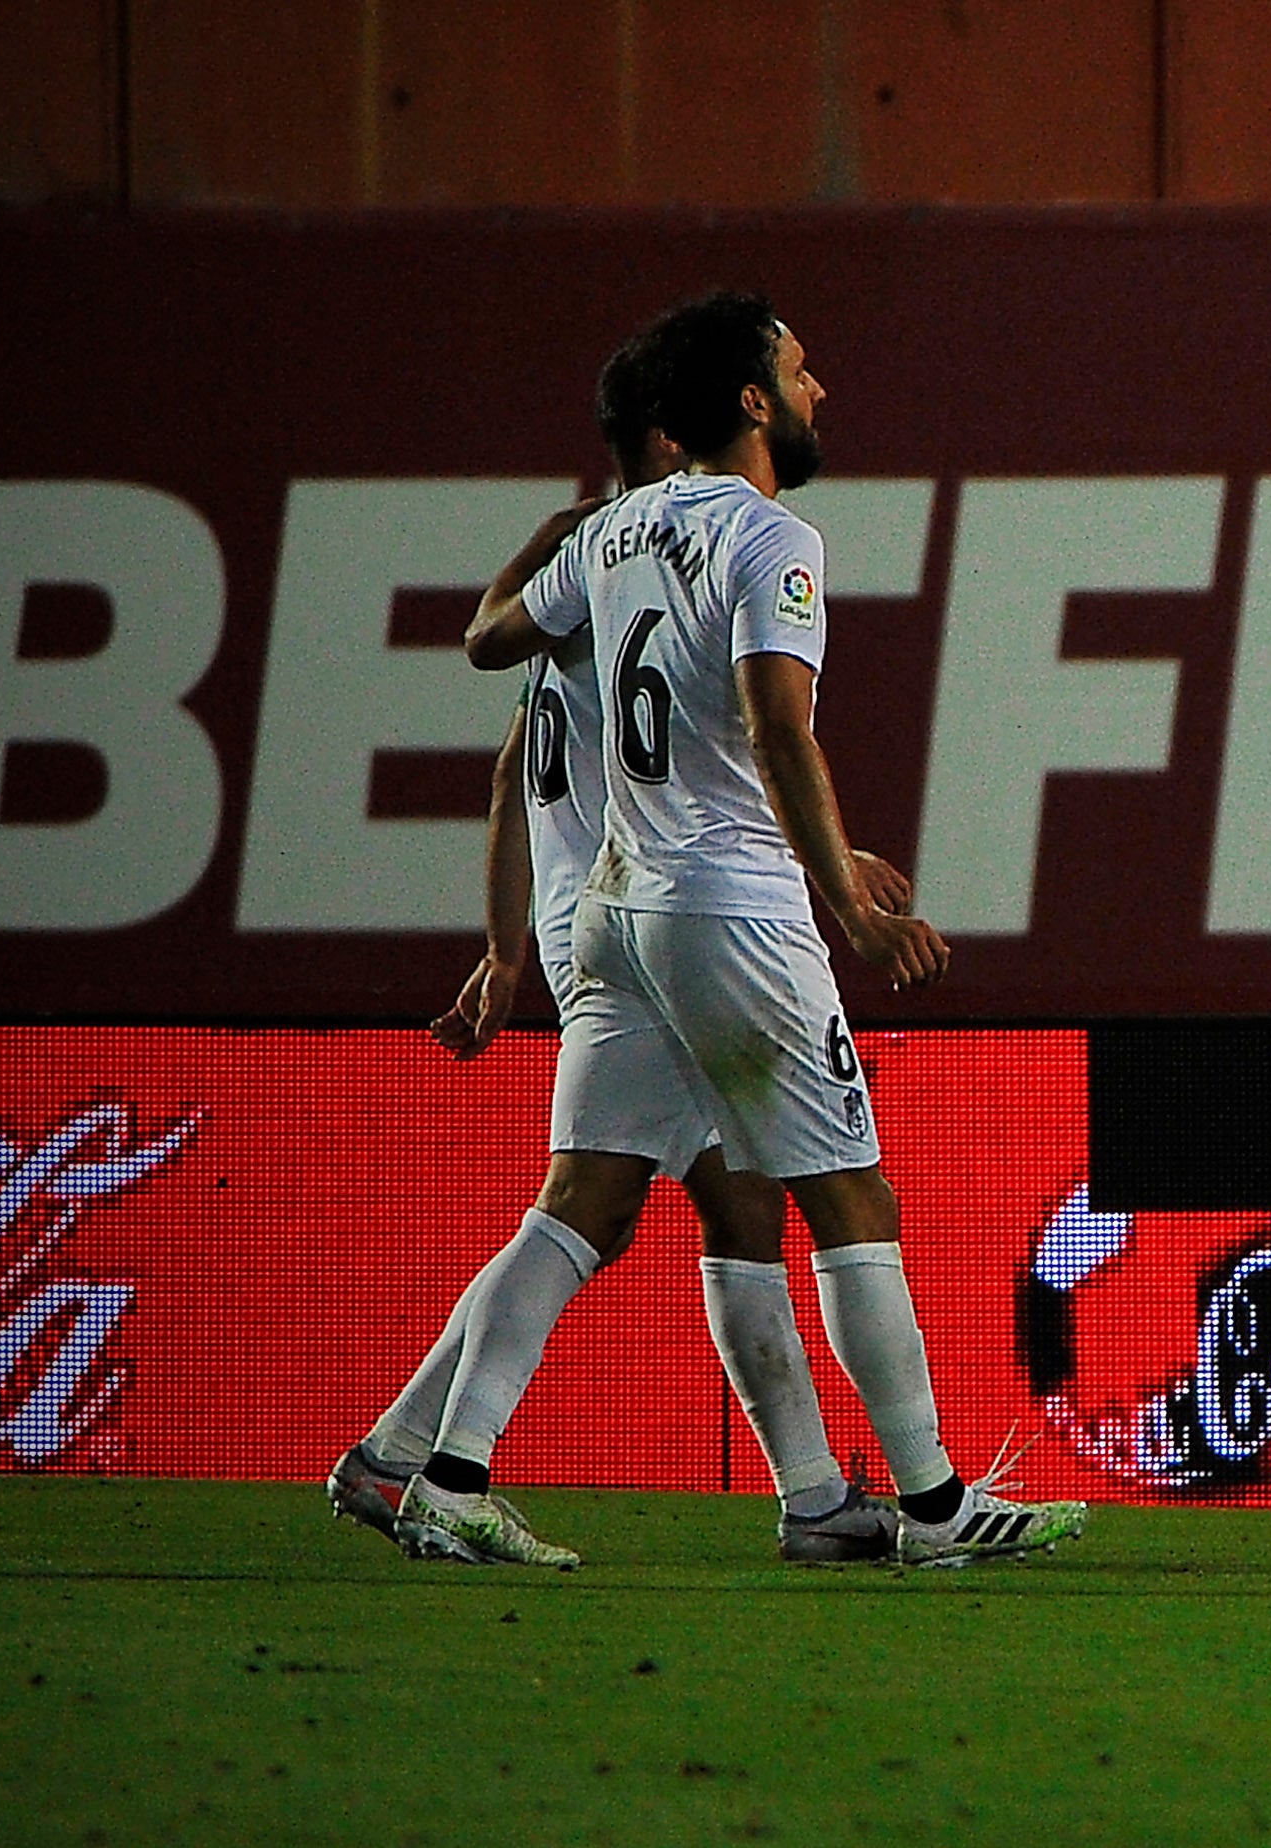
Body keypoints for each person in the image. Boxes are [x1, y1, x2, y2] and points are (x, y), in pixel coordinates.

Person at [467, 292, 1078, 1569]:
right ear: (749, 401)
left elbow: (496, 642)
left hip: (614, 916)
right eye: (801, 371)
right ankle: (931, 1508)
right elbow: (775, 725)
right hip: (731, 911)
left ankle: (447, 1469)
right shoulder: (771, 538)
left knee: (583, 1201)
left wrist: (556, 548)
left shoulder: (613, 532)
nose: (819, 390)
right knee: (849, 1197)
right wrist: (845, 904)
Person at [329, 332, 894, 1568]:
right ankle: (821, 1497)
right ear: (677, 436)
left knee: (614, 1204)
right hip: (659, 920)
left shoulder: (583, 578)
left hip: (588, 913)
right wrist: (823, 877)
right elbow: (747, 745)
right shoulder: (668, 564)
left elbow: (505, 759)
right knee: (686, 1208)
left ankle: (402, 1454)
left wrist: (505, 946)